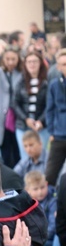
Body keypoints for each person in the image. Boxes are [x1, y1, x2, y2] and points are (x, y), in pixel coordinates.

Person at [11, 51, 49, 159]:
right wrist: (26, 119)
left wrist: (41, 121)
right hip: (23, 125)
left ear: (40, 63)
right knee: (25, 157)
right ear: (25, 64)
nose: (32, 64)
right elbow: (14, 103)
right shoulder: (19, 81)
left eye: (35, 61)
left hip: (41, 125)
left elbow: (49, 104)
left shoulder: (46, 81)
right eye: (29, 62)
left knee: (41, 156)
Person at [44, 48, 66, 186]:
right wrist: (51, 131)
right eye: (63, 64)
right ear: (58, 66)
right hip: (59, 134)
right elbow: (50, 109)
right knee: (50, 175)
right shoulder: (54, 85)